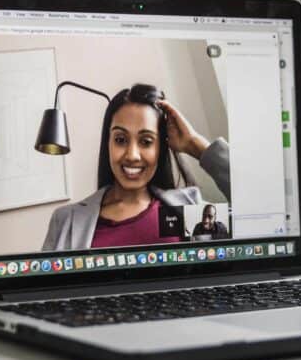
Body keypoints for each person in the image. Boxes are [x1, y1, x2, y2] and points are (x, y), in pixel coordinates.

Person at [42, 84, 230, 251]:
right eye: (120, 140)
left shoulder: (191, 209)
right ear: (108, 143)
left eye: (146, 141)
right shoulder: (65, 220)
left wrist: (196, 145)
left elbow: (256, 211)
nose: (132, 155)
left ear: (160, 148)